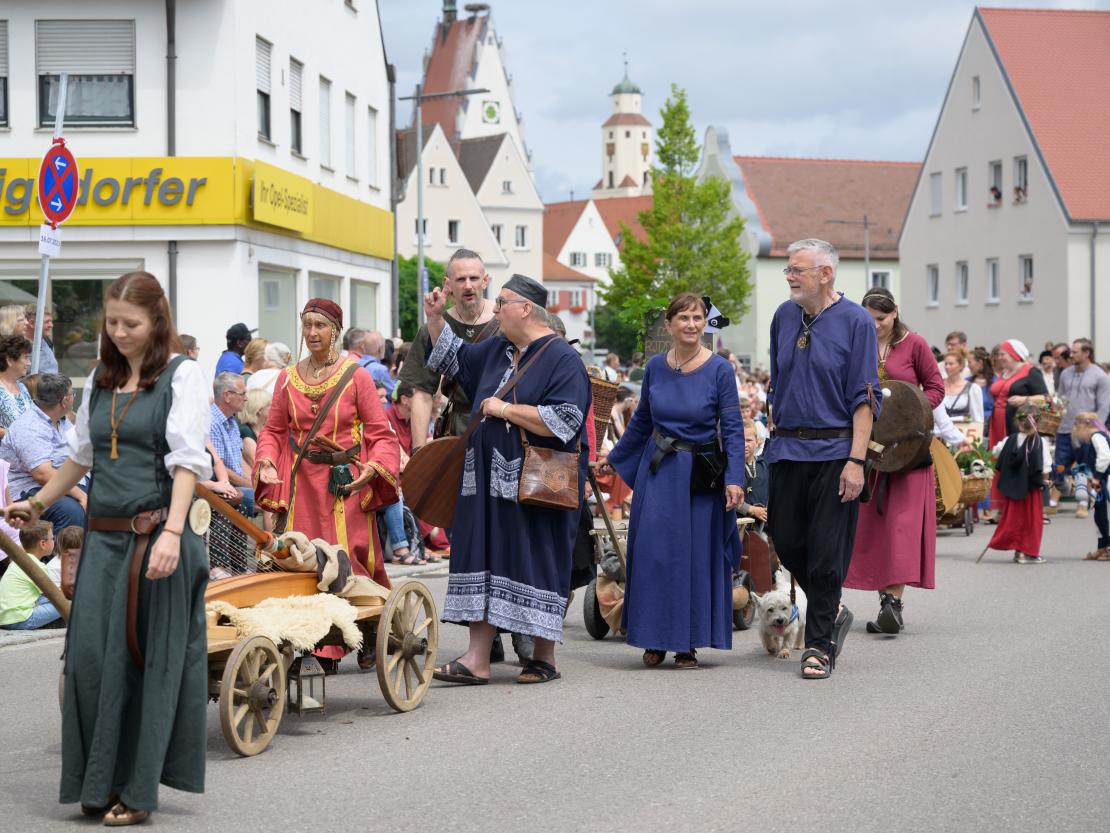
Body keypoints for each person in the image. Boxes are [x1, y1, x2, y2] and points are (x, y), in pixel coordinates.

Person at [4, 270, 212, 824]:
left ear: (156, 321)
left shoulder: (182, 376)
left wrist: (172, 534)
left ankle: (138, 791)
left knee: (145, 664)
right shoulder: (100, 377)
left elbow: (188, 461)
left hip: (156, 542)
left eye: (132, 324)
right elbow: (81, 457)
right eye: (112, 322)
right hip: (104, 541)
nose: (120, 332)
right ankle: (98, 782)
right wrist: (38, 503)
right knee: (92, 662)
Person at [424, 273, 591, 685]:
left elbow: (566, 420)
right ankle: (477, 658)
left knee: (534, 556)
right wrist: (434, 317)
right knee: (480, 552)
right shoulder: (498, 348)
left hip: (535, 482)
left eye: (501, 303)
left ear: (525, 309)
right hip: (483, 482)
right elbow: (454, 359)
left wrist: (504, 410)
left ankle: (543, 658)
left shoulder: (562, 359)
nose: (494, 310)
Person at [254, 298, 400, 672]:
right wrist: (267, 460)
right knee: (305, 562)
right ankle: (317, 643)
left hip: (344, 483)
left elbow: (381, 434)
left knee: (351, 557)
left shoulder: (357, 376)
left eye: (320, 326)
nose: (313, 333)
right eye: (307, 325)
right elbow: (273, 430)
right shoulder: (287, 378)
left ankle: (367, 628)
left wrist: (374, 466)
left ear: (334, 329)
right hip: (302, 483)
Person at [604, 294, 743, 669]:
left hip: (700, 475)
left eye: (698, 317)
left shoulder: (719, 370)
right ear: (669, 325)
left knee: (693, 558)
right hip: (659, 472)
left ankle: (687, 644)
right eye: (684, 317)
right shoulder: (654, 367)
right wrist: (612, 459)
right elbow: (642, 422)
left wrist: (735, 479)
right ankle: (653, 637)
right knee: (653, 555)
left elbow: (732, 429)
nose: (692, 324)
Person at [765, 239, 879, 679]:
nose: (790, 277)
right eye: (789, 270)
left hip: (836, 450)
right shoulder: (783, 316)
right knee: (787, 539)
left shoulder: (856, 322)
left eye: (798, 270)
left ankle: (818, 646)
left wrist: (857, 460)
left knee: (827, 554)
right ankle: (834, 609)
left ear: (825, 274)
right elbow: (780, 381)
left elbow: (865, 397)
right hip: (788, 448)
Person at [847, 289, 964, 636]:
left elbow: (936, 388)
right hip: (871, 447)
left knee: (901, 527)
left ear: (895, 313)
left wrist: (908, 407)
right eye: (869, 320)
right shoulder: (859, 343)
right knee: (874, 528)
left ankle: (892, 603)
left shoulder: (916, 345)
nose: (876, 326)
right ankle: (885, 599)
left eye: (881, 319)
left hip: (910, 447)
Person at [401, 248, 497, 451]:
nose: (468, 286)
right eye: (461, 279)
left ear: (485, 281)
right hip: (458, 430)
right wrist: (419, 452)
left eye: (474, 278)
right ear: (448, 283)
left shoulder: (505, 322)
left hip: (501, 425)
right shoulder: (434, 327)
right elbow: (422, 393)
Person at [0, 372, 86, 537]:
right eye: (72, 394)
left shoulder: (61, 419)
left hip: (64, 479)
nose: (73, 398)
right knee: (71, 512)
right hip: (30, 488)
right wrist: (82, 496)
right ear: (64, 401)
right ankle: (57, 560)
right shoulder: (29, 427)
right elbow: (42, 474)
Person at [983, 405, 1051, 563]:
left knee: (1014, 519)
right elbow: (1046, 467)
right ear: (1038, 423)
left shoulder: (1009, 440)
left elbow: (995, 452)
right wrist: (1045, 482)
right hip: (1031, 490)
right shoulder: (1040, 442)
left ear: (1018, 423)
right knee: (1032, 521)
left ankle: (1018, 552)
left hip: (1013, 488)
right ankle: (1028, 552)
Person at [1054, 338, 1110, 503]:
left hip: (1085, 431)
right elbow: (1060, 399)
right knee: (1057, 471)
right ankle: (1068, 490)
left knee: (1085, 470)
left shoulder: (1100, 376)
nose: (1071, 355)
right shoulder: (1065, 373)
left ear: (1086, 353)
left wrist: (1094, 430)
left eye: (1075, 352)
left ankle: (1084, 503)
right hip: (1064, 429)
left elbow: (1104, 406)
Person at [0, 521, 63, 630]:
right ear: (43, 544)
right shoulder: (35, 566)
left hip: (4, 618)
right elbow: (56, 595)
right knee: (69, 603)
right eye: (52, 538)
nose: (54, 541)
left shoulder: (17, 561)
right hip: (21, 620)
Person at [209, 372, 255, 516]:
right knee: (270, 501)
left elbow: (239, 461)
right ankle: (272, 538)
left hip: (233, 485)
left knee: (272, 496)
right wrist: (254, 487)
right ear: (227, 396)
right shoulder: (212, 422)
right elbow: (222, 470)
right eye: (243, 394)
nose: (246, 398)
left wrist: (256, 484)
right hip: (218, 487)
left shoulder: (231, 421)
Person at [1073, 412, 1110, 560]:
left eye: (1078, 432)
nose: (1080, 436)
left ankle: (1107, 547)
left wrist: (1097, 477)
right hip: (1100, 482)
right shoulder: (1100, 436)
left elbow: (1105, 457)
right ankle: (1102, 546)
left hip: (1104, 481)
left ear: (1084, 427)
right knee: (1099, 514)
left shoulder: (1097, 437)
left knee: (1104, 514)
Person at [942, 348, 984, 441]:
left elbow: (977, 420)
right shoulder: (939, 386)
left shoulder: (972, 389)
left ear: (960, 365)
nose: (947, 367)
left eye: (951, 364)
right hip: (941, 436)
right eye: (946, 364)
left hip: (964, 435)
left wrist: (975, 443)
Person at [0, 334, 32, 438]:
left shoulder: (22, 387)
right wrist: (14, 436)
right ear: (9, 360)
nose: (29, 363)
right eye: (26, 358)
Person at [239, 387, 271, 473]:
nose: (274, 408)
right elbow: (260, 467)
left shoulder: (263, 429)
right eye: (269, 405)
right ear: (259, 410)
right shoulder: (246, 433)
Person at [357, 331, 397, 396]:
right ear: (380, 349)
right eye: (384, 346)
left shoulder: (355, 363)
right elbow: (394, 394)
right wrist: (397, 378)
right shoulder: (380, 369)